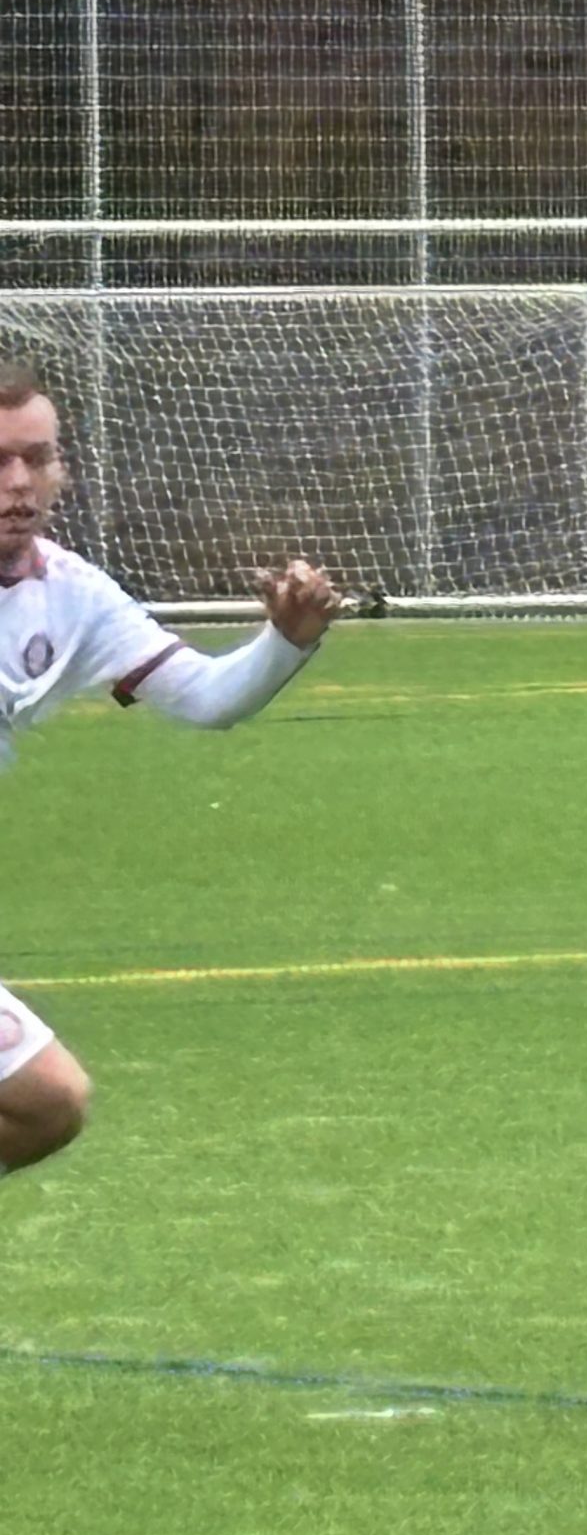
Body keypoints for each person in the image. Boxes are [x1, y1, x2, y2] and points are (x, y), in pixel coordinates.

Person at [0, 362, 343, 1183]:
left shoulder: (73, 597)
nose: (17, 482)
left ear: (61, 472)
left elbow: (207, 698)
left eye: (35, 458)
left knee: (47, 1103)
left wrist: (285, 643)